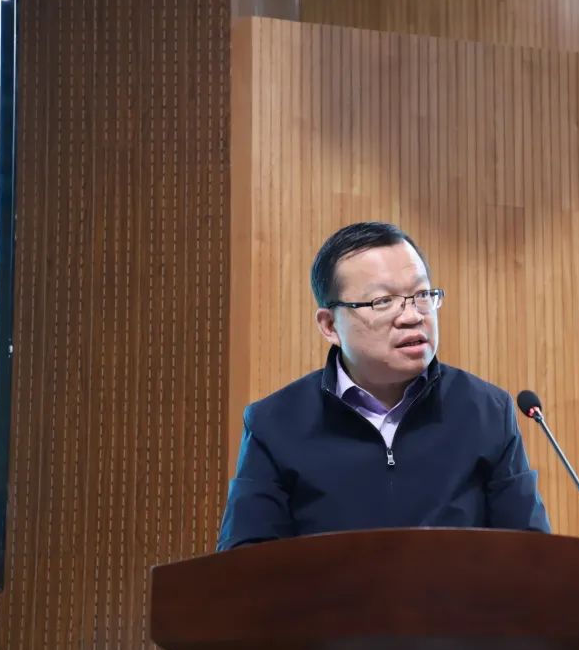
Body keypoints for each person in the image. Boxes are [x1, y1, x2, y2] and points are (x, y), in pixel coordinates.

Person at [216, 222, 550, 551]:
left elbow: (532, 555)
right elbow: (245, 563)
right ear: (329, 325)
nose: (412, 316)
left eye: (422, 295)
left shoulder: (487, 411)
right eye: (383, 301)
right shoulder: (274, 423)